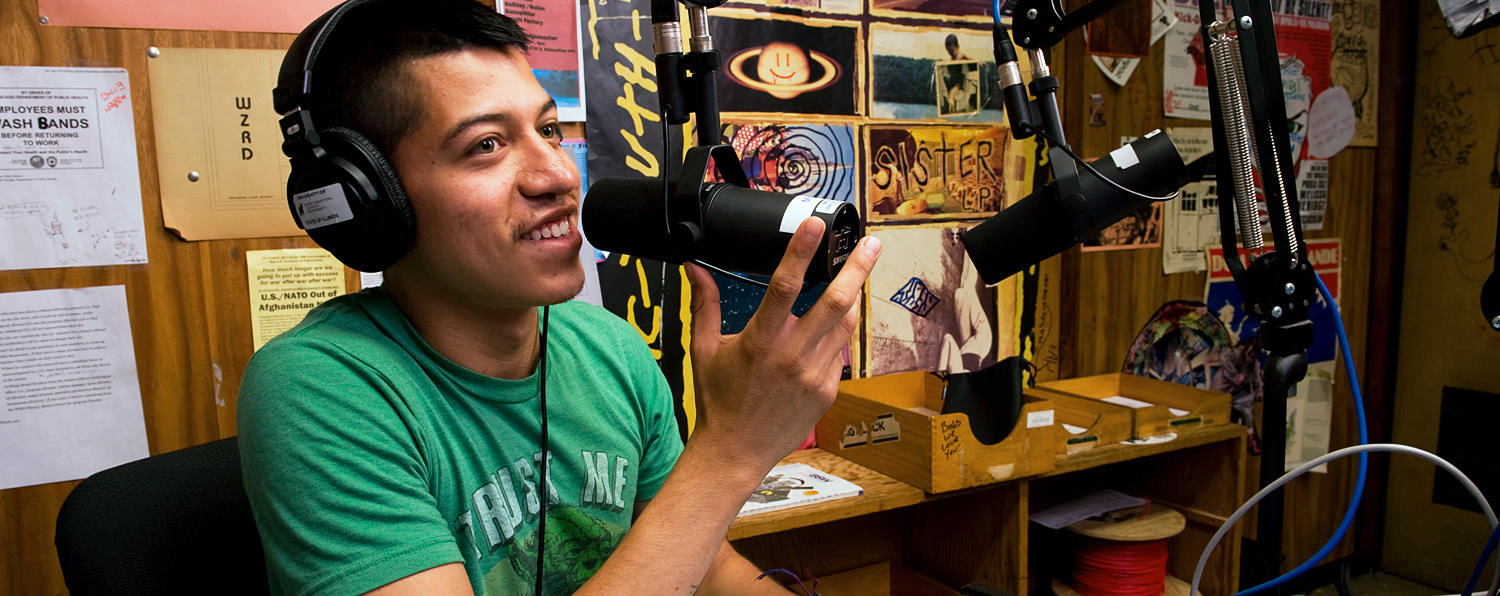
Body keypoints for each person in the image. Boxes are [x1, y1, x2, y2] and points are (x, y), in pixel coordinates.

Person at [236, 1, 881, 595]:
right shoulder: (319, 387)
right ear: (371, 203)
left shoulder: (610, 350)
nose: (558, 175)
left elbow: (704, 565)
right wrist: (730, 451)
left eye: (547, 129)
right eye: (486, 145)